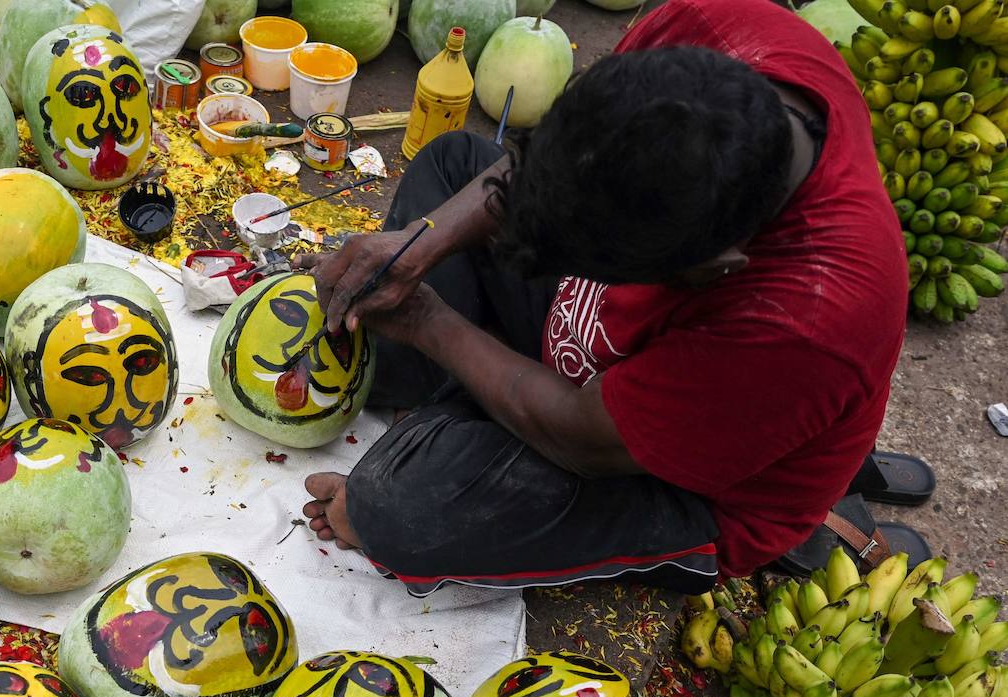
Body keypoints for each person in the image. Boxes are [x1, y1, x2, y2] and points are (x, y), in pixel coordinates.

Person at [296, 0, 911, 597]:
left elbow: (584, 439)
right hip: (599, 365)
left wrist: (430, 320)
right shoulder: (712, 31)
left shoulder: (808, 318)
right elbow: (533, 169)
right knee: (456, 164)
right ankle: (457, 404)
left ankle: (456, 412)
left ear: (713, 268)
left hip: (657, 474)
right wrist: (416, 244)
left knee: (396, 510)